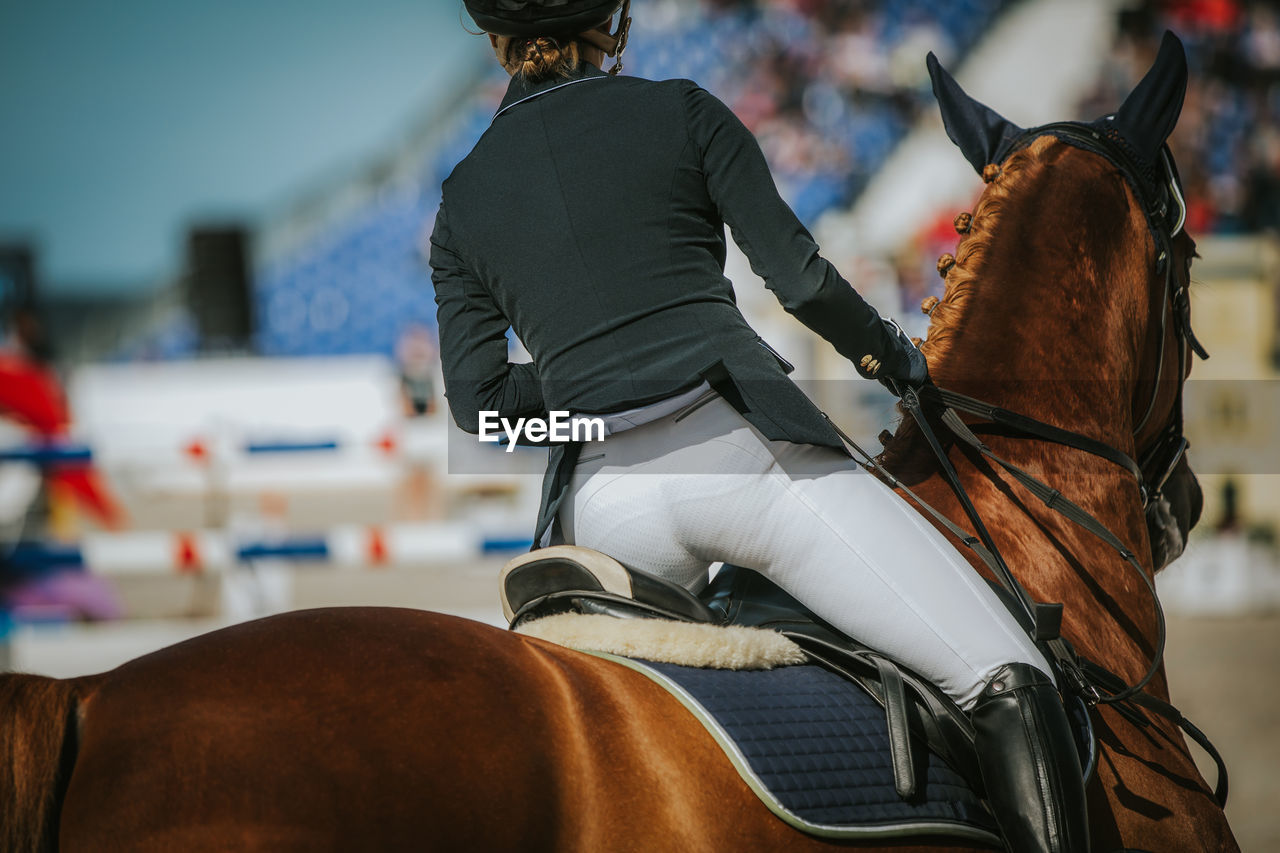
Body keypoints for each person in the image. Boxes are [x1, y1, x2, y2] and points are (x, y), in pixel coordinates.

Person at [430, 2, 1086, 850]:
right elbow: (803, 283)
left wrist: (576, 380)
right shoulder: (682, 110)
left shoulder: (464, 197)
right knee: (1010, 676)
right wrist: (899, 363)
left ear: (496, 43)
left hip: (602, 513)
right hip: (743, 461)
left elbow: (476, 405)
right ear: (613, 25)